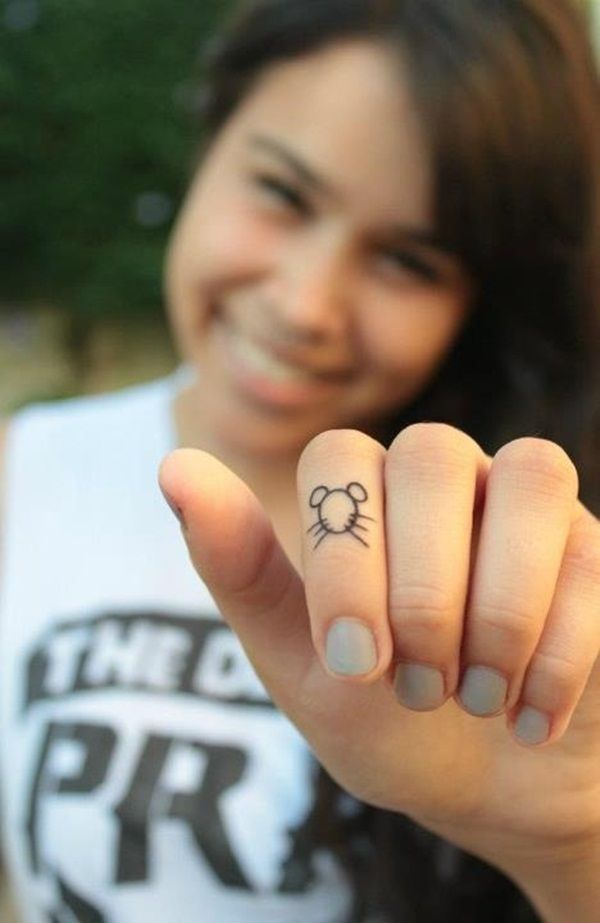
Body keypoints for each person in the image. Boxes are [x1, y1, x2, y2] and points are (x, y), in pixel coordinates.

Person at [2, 0, 600, 920]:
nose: (306, 306)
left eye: (408, 259)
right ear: (208, 139)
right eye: (283, 193)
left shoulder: (544, 577)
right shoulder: (24, 473)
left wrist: (571, 845)